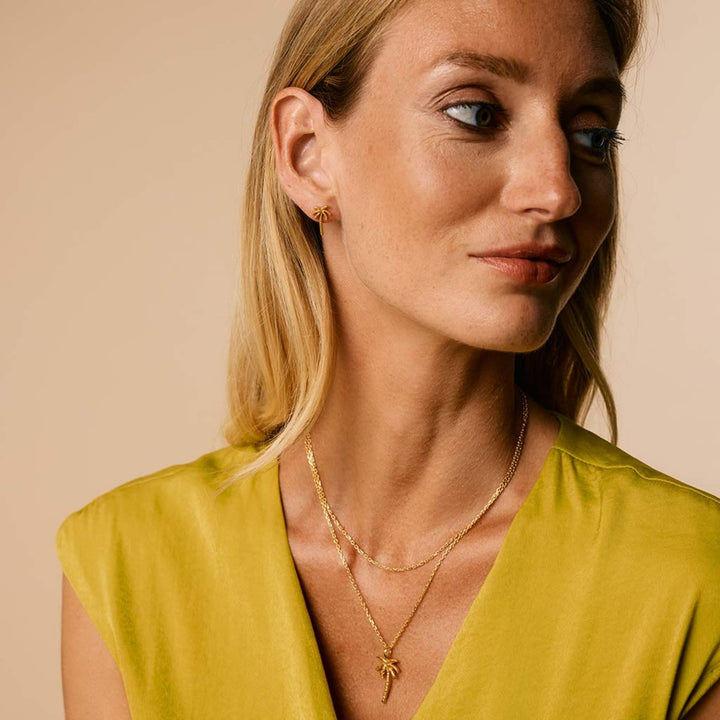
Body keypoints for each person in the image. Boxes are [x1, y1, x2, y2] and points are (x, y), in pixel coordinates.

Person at [56, 0, 720, 718]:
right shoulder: (128, 563)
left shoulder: (694, 583)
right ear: (307, 153)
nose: (557, 191)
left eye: (591, 134)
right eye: (476, 114)